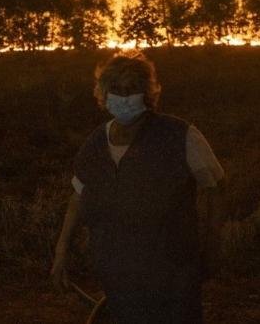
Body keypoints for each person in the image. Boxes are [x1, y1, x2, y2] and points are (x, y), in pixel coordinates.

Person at [51, 50, 225, 324]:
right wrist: (61, 252)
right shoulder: (96, 143)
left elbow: (215, 188)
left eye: (131, 89)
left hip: (172, 278)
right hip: (116, 276)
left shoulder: (180, 136)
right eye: (116, 89)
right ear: (104, 94)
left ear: (147, 93)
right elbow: (78, 197)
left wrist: (213, 249)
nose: (123, 97)